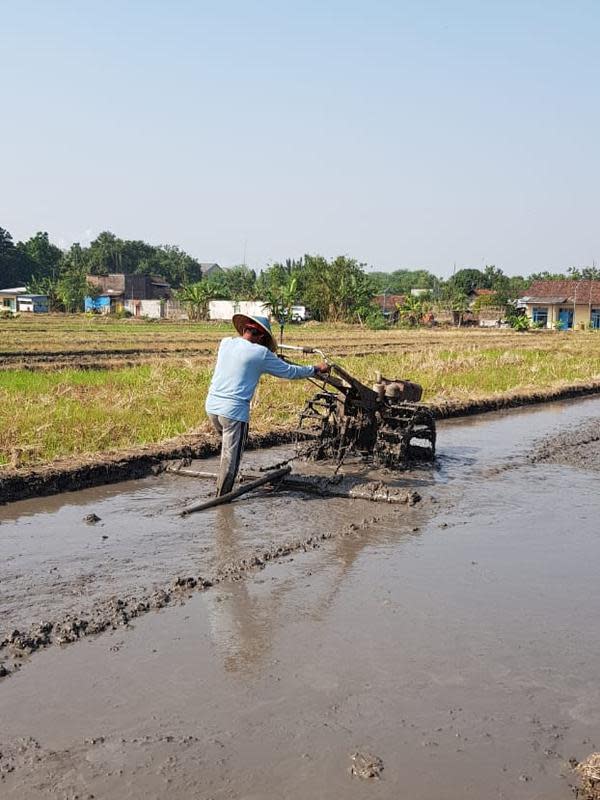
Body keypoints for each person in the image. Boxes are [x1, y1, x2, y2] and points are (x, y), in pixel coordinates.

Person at [205, 314, 329, 496]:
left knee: (226, 450)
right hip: (233, 412)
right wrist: (315, 369)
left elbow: (244, 359)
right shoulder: (261, 354)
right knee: (231, 458)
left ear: (244, 330)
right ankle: (222, 499)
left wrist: (271, 358)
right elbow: (290, 372)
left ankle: (221, 487)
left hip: (212, 407)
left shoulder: (225, 343)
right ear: (262, 337)